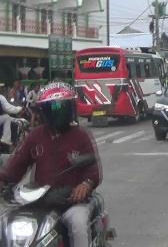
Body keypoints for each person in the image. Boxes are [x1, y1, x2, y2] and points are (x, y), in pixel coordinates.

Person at [0, 82, 102, 247]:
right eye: (53, 107)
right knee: (7, 223)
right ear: (44, 110)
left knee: (78, 225)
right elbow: (16, 164)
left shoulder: (81, 136)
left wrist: (86, 184)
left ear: (70, 108)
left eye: (62, 107)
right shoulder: (35, 136)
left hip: (72, 202)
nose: (58, 111)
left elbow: (93, 170)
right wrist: (3, 178)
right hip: (41, 200)